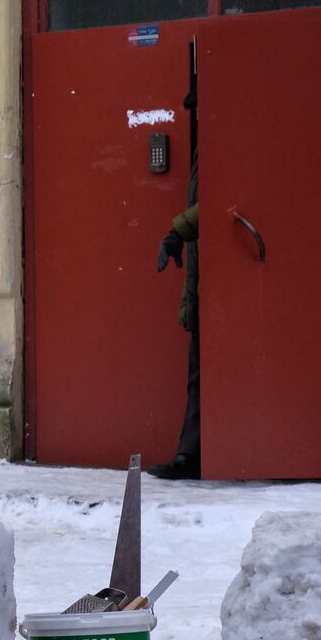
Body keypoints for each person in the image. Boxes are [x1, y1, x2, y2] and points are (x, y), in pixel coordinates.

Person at [149, 156, 201, 480]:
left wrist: (178, 231)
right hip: (204, 281)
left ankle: (191, 454)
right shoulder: (201, 154)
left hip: (227, 284)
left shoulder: (220, 144)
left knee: (202, 368)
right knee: (198, 368)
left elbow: (220, 202)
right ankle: (190, 454)